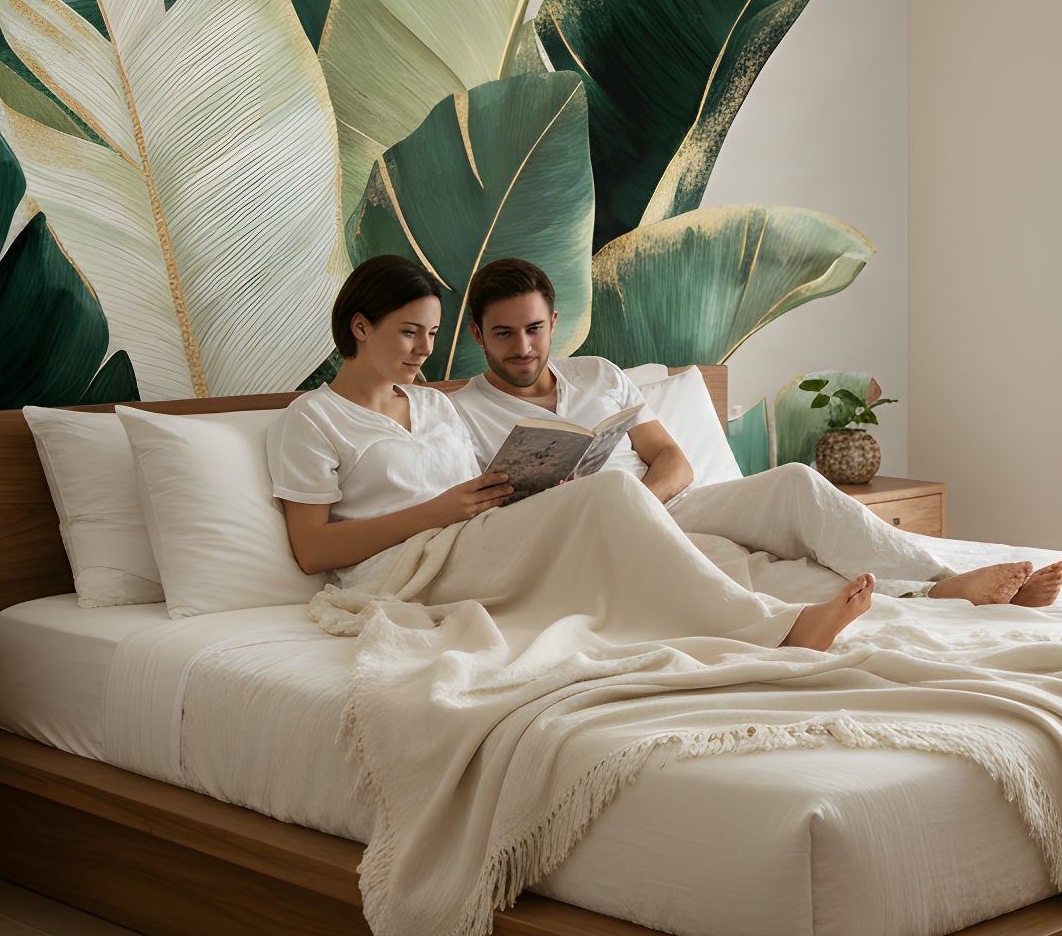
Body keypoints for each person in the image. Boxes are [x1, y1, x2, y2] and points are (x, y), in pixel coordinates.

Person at [265, 256, 875, 648]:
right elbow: (312, 550)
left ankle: (767, 615)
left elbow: (474, 493)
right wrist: (439, 512)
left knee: (606, 499)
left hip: (475, 539)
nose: (425, 348)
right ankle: (779, 627)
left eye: (430, 332)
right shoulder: (312, 418)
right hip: (407, 567)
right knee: (611, 493)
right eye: (408, 331)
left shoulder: (433, 405)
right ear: (361, 326)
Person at [445, 258, 1062, 608]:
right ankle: (911, 602)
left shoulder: (599, 376)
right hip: (589, 536)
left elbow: (672, 460)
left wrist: (647, 501)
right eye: (504, 334)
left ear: (553, 322)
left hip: (670, 504)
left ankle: (941, 582)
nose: (523, 347)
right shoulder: (459, 411)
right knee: (738, 562)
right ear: (478, 334)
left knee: (796, 483)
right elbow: (476, 517)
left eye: (533, 329)